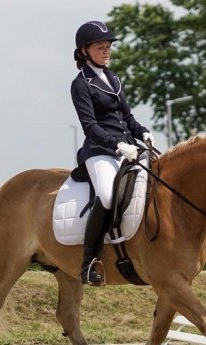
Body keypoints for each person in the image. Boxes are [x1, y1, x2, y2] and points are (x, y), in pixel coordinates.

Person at [71, 20, 154, 286]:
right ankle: (88, 262)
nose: (106, 51)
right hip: (99, 151)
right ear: (85, 50)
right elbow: (90, 126)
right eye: (100, 47)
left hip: (129, 147)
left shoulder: (114, 78)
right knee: (107, 196)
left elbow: (127, 116)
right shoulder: (81, 84)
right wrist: (115, 145)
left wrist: (142, 132)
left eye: (108, 47)